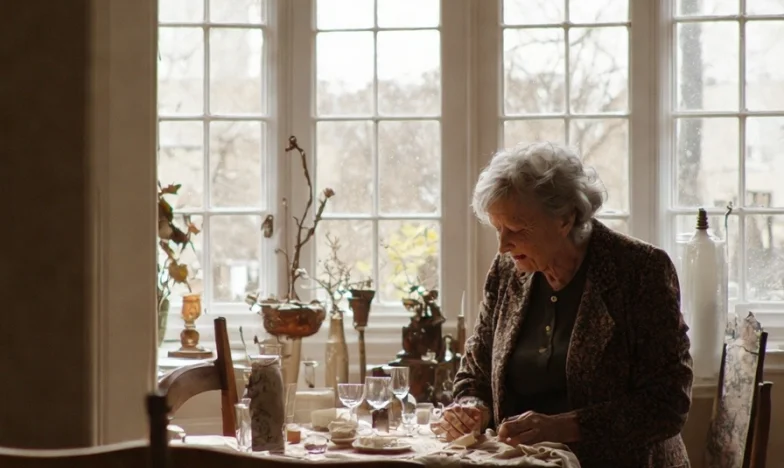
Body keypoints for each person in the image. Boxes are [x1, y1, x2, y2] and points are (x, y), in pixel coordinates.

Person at [431, 142, 693, 467]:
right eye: (498, 229)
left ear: (565, 219)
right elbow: (476, 369)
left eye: (515, 229)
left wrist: (562, 426)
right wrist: (472, 408)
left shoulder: (640, 270)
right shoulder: (507, 272)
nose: (502, 246)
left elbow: (667, 403)